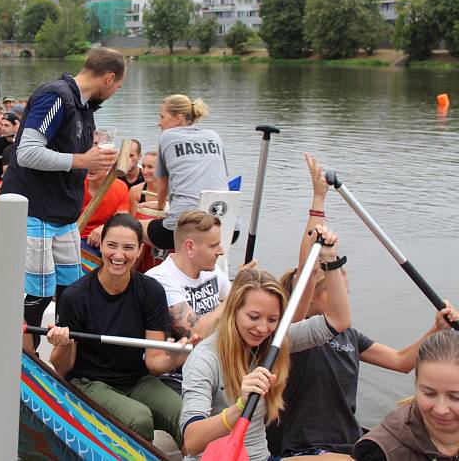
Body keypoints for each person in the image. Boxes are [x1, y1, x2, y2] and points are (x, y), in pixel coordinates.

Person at [266, 153, 459, 459]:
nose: (347, 288)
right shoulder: (290, 335)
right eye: (337, 284)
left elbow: (400, 362)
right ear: (313, 293)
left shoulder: (349, 336)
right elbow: (308, 269)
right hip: (302, 450)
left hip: (347, 445)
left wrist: (435, 328)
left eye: (345, 281)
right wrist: (318, 204)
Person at [181, 224, 352, 461]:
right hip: (217, 458)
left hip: (261, 457)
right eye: (253, 317)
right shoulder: (204, 358)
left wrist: (330, 260)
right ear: (233, 311)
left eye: (273, 319)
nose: (262, 328)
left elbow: (338, 320)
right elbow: (191, 441)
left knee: (343, 460)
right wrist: (238, 408)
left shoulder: (275, 342)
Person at [0, 48, 124, 347]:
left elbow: (74, 153)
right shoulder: (56, 96)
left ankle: (68, 355)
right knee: (39, 293)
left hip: (63, 214)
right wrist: (83, 161)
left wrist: (94, 159)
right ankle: (24, 354)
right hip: (36, 210)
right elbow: (27, 153)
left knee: (72, 288)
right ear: (108, 78)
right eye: (117, 87)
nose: (115, 92)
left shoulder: (83, 107)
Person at [47, 214, 189, 448]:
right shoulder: (74, 296)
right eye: (111, 245)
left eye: (128, 247)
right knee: (139, 419)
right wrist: (62, 344)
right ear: (100, 244)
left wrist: (175, 358)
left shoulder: (151, 291)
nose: (119, 255)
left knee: (185, 414)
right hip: (89, 381)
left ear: (140, 250)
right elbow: (62, 368)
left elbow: (154, 363)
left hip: (136, 378)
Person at [146, 210, 236, 394]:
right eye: (214, 246)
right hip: (176, 376)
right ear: (190, 247)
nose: (221, 251)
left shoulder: (210, 270)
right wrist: (231, 300)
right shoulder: (160, 279)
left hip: (212, 364)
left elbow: (235, 300)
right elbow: (196, 332)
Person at [352, 330, 459, 460]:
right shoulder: (379, 453)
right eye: (429, 394)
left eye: (455, 397)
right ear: (416, 384)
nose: (440, 410)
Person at [140, 95, 228, 250]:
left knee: (134, 227)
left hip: (182, 230)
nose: (159, 123)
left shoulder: (167, 136)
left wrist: (160, 206)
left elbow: (163, 183)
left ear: (177, 118)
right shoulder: (214, 136)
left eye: (162, 117)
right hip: (226, 227)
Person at [80, 153, 130, 249]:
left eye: (97, 165)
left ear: (108, 167)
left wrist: (104, 228)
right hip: (79, 236)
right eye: (90, 163)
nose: (91, 169)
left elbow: (122, 218)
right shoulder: (77, 184)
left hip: (107, 236)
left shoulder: (120, 186)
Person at [129, 150, 161, 217]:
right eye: (143, 166)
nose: (144, 171)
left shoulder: (175, 191)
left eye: (150, 167)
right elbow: (131, 222)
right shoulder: (135, 191)